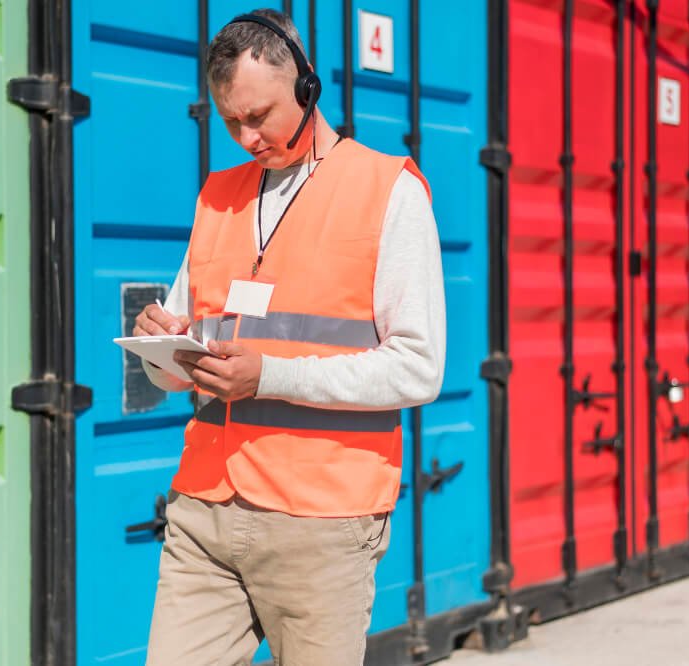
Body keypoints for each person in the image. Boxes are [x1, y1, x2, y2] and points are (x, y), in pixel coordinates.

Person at [133, 8, 445, 665]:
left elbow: (419, 368)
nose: (247, 137)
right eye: (231, 122)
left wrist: (270, 376)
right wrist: (162, 346)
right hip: (205, 510)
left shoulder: (388, 190)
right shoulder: (218, 196)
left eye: (260, 115)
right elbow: (179, 367)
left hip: (322, 520)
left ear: (308, 88)